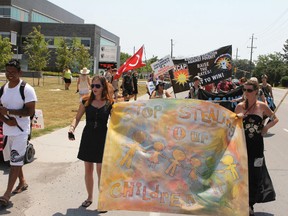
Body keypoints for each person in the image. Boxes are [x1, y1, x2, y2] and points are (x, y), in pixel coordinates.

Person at [68, 76, 113, 209]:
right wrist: (72, 128)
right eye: (92, 86)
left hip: (102, 138)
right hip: (88, 137)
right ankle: (89, 197)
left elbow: (118, 121)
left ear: (103, 87)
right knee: (88, 169)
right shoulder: (85, 101)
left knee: (100, 171)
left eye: (97, 86)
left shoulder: (110, 103)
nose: (94, 88)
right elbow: (77, 118)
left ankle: (102, 200)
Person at [235, 79, 278, 216]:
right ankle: (240, 202)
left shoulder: (262, 106)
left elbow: (275, 118)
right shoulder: (239, 106)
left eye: (249, 90)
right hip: (242, 146)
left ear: (256, 92)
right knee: (242, 175)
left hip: (257, 147)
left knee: (255, 175)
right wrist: (238, 118)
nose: (246, 93)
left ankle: (250, 204)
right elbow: (232, 125)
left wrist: (266, 127)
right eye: (244, 90)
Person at [0, 59, 37, 207]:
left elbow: (30, 112)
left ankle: (6, 194)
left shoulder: (26, 89)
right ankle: (22, 182)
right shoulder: (3, 89)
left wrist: (9, 113)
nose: (10, 75)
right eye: (7, 72)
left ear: (20, 73)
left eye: (13, 73)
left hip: (21, 132)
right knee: (14, 159)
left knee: (14, 163)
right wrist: (5, 120)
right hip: (8, 131)